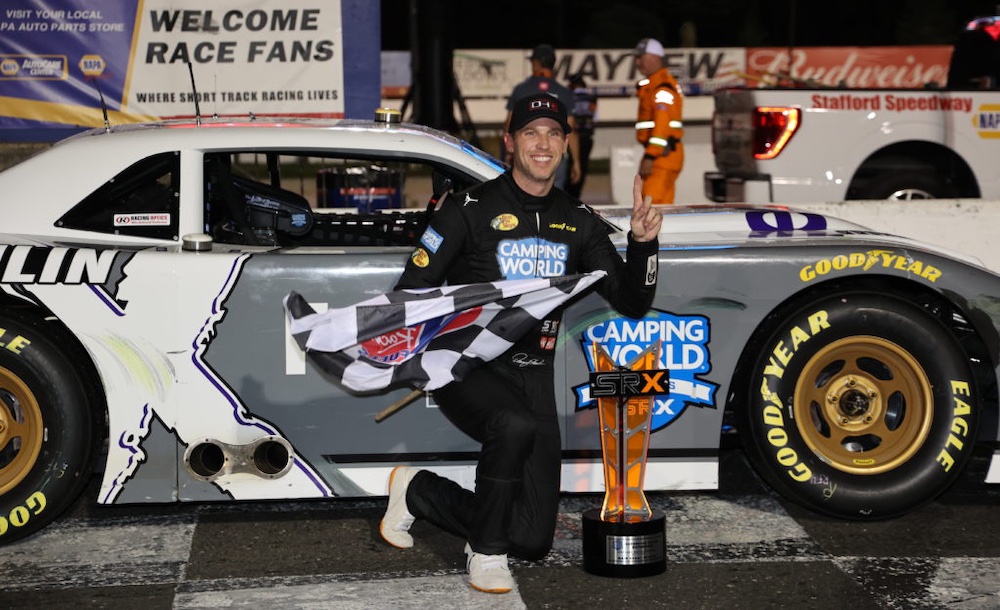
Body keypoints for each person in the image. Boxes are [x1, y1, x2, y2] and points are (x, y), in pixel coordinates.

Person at [380, 94, 662, 594]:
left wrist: (642, 243)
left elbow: (632, 301)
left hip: (534, 374)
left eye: (553, 133)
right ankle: (486, 554)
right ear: (510, 143)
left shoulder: (579, 220)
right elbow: (410, 292)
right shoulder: (467, 209)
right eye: (531, 132)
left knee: (531, 539)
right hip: (466, 365)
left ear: (566, 145)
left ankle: (418, 491)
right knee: (511, 423)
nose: (543, 143)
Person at [504, 44, 581, 191]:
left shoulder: (521, 90)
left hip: (526, 156)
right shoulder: (564, 93)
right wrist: (576, 162)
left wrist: (509, 152)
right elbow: (572, 130)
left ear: (535, 63)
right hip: (554, 157)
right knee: (555, 199)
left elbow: (509, 123)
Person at [633, 37, 684, 204]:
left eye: (640, 57)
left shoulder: (661, 87)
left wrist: (650, 155)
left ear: (654, 57)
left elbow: (662, 124)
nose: (637, 62)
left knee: (651, 207)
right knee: (660, 207)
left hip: (661, 156)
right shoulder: (655, 85)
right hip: (663, 154)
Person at [565, 72, 597, 200]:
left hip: (573, 136)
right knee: (583, 166)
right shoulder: (592, 97)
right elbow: (595, 116)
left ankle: (569, 194)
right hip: (587, 136)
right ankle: (576, 195)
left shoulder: (569, 97)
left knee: (572, 164)